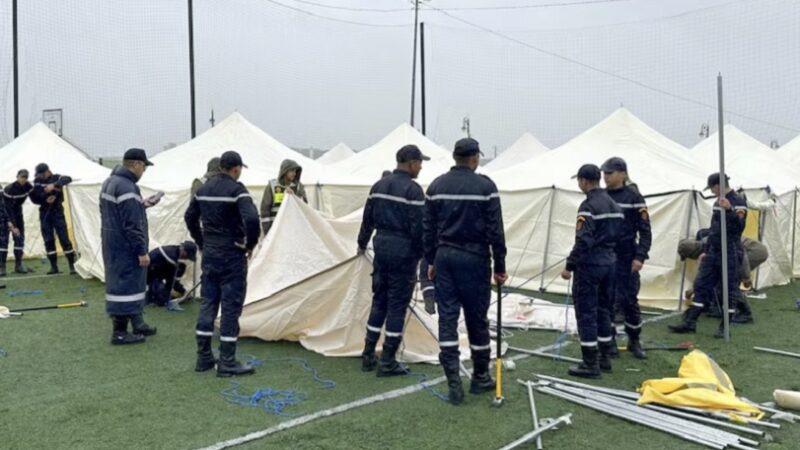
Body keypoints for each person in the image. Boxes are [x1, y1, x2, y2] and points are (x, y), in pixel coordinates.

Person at [423, 137, 507, 405]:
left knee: (447, 318)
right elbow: (496, 230)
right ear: (474, 158)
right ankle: (480, 377)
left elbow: (428, 229)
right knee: (476, 319)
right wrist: (500, 266)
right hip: (475, 258)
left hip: (445, 257)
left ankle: (453, 383)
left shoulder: (436, 186)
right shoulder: (486, 186)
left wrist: (431, 261)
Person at [185, 150, 261, 377]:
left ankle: (204, 357)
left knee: (208, 303)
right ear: (235, 169)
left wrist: (202, 242)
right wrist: (250, 244)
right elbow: (252, 219)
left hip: (210, 254)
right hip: (231, 255)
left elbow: (189, 217)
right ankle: (227, 361)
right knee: (230, 308)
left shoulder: (203, 190)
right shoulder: (238, 190)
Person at [357, 145, 429, 377]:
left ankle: (368, 354)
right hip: (403, 251)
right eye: (419, 163)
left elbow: (367, 219)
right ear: (410, 164)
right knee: (397, 305)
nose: (421, 167)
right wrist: (422, 254)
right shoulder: (413, 190)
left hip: (381, 248)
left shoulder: (378, 186)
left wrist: (361, 243)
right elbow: (419, 228)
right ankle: (387, 361)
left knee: (379, 301)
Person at [560, 164, 623, 378]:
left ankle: (590, 363)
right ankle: (605, 357)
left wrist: (570, 265)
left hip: (591, 265)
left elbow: (584, 239)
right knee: (604, 310)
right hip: (611, 262)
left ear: (584, 181)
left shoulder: (588, 206)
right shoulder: (614, 204)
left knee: (586, 312)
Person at [669, 173, 747, 337]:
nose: (712, 191)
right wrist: (706, 250)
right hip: (714, 251)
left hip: (730, 251)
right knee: (701, 285)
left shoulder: (738, 202)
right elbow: (714, 229)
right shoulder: (717, 202)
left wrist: (730, 210)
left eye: (712, 188)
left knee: (728, 290)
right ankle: (690, 322)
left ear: (718, 185)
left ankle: (724, 327)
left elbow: (739, 227)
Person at [100, 148, 159, 345]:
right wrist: (141, 250)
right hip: (126, 246)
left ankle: (137, 322)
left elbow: (116, 213)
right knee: (126, 286)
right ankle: (120, 333)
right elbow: (132, 224)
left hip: (113, 243)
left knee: (127, 284)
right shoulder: (127, 186)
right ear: (136, 165)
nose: (144, 171)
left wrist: (141, 205)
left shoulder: (111, 182)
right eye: (144, 167)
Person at [601, 157, 651, 360]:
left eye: (610, 173)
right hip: (606, 256)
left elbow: (645, 230)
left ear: (622, 174)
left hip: (628, 255)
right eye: (604, 173)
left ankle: (634, 340)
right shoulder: (601, 196)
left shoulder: (633, 197)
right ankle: (609, 340)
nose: (606, 177)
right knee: (607, 300)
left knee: (629, 300)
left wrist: (640, 257)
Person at [29, 163, 76, 275]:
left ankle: (72, 265)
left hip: (57, 212)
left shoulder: (57, 177)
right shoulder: (37, 182)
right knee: (48, 240)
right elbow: (35, 197)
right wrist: (45, 198)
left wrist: (54, 185)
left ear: (47, 171)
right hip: (45, 212)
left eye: (42, 174)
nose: (40, 176)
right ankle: (54, 267)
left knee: (64, 238)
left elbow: (68, 179)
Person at [260, 159, 307, 234]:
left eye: (295, 171)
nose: (294, 174)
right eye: (292, 171)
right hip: (275, 230)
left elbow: (305, 206)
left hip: (294, 230)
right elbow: (265, 210)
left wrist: (294, 196)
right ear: (285, 171)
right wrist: (267, 232)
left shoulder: (298, 187)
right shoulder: (272, 186)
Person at [146, 241, 198, 308]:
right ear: (183, 250)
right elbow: (172, 280)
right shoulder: (171, 257)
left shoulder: (174, 250)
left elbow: (171, 279)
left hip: (158, 272)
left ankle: (163, 293)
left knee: (181, 267)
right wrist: (183, 291)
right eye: (188, 255)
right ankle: (153, 294)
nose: (187, 258)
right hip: (150, 275)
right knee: (163, 300)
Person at [3, 170, 34, 274]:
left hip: (18, 213)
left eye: (25, 177)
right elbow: (8, 208)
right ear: (17, 177)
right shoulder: (9, 189)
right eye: (21, 177)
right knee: (3, 241)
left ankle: (18, 265)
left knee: (20, 238)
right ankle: (2, 268)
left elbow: (35, 195)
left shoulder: (28, 186)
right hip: (5, 214)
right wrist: (12, 224)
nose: (23, 179)